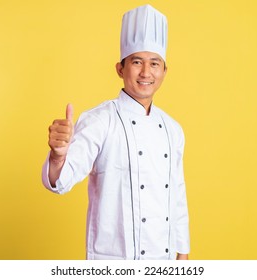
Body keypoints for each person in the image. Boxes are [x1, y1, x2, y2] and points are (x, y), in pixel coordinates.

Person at [42, 4, 190, 260]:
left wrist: (183, 253)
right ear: (120, 69)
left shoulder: (172, 129)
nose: (146, 72)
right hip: (113, 261)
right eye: (136, 62)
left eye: (154, 63)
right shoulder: (100, 120)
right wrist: (57, 157)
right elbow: (61, 181)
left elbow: (177, 194)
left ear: (164, 71)